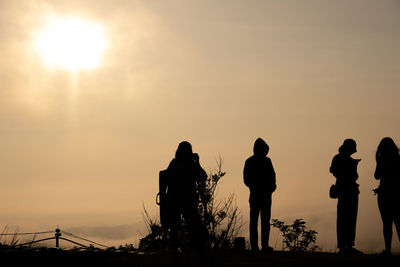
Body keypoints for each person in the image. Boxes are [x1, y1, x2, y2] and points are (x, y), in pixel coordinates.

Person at [165, 141, 208, 253]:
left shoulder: (173, 163)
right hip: (188, 202)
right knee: (195, 228)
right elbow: (202, 177)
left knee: (174, 229)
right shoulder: (190, 165)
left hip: (174, 201)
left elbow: (166, 177)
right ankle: (199, 253)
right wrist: (197, 162)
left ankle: (175, 254)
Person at [329, 139, 362, 254]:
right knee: (347, 218)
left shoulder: (338, 158)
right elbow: (352, 176)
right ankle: (345, 246)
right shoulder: (342, 159)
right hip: (348, 190)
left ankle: (345, 245)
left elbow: (333, 170)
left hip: (346, 190)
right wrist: (352, 165)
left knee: (346, 218)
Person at [244, 138, 276, 252]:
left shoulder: (268, 161)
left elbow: (273, 177)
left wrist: (272, 188)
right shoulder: (249, 161)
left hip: (266, 196)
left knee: (265, 221)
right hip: (256, 195)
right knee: (254, 221)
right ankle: (254, 246)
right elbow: (246, 179)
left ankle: (265, 245)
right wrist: (255, 187)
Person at [374, 137, 400, 255]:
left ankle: (388, 249)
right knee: (398, 222)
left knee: (387, 223)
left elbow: (376, 176)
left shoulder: (381, 159)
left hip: (384, 193)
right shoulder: (398, 159)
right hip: (397, 193)